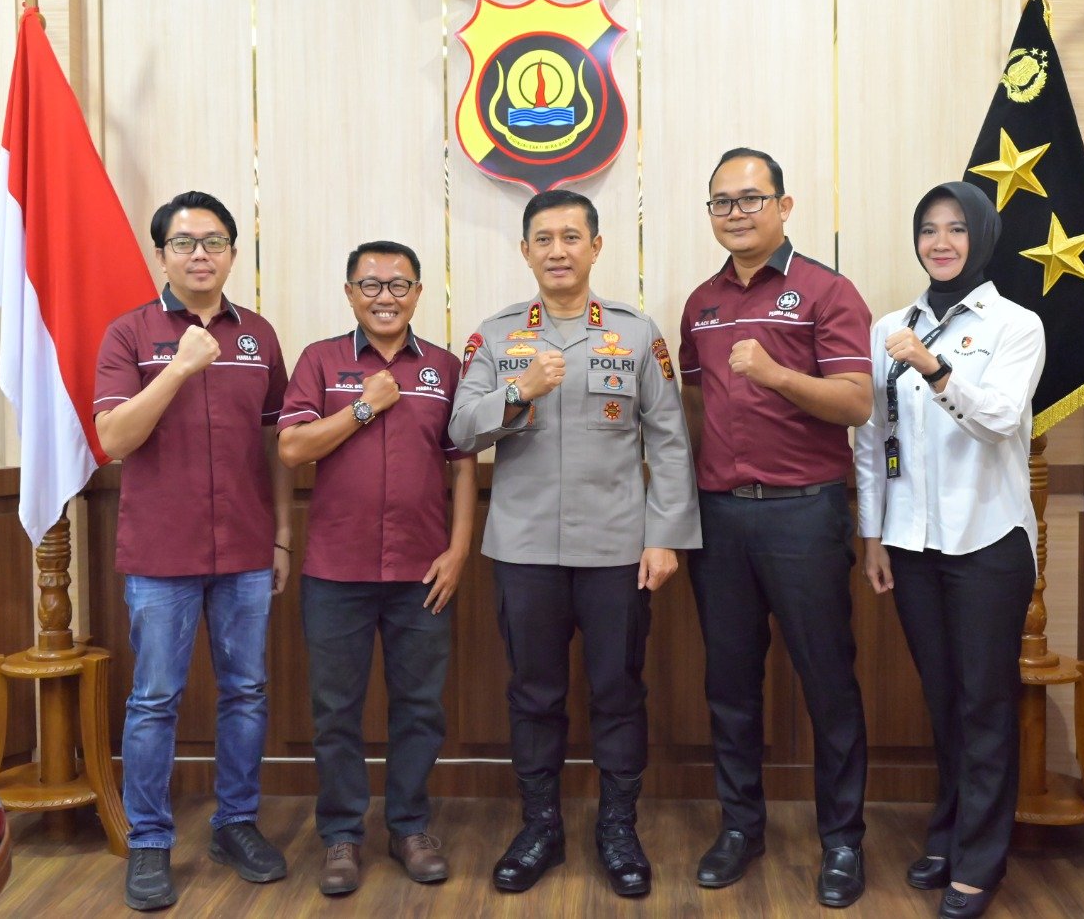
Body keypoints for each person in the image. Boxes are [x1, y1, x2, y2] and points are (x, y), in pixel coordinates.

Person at [448, 190, 700, 898]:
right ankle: (540, 827)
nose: (557, 250)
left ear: (596, 246)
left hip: (618, 550)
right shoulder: (496, 336)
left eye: (570, 237)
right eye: (543, 239)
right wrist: (518, 392)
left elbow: (669, 442)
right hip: (524, 549)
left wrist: (666, 537)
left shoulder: (636, 333)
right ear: (525, 251)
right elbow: (461, 429)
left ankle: (618, 827)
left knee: (618, 692)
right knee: (533, 693)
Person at [678, 148, 875, 906]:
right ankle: (740, 828)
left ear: (784, 207)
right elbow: (694, 406)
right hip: (720, 517)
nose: (736, 213)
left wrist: (776, 374)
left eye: (750, 199)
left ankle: (843, 840)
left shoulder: (827, 290)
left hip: (804, 513)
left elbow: (855, 402)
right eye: (721, 202)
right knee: (729, 683)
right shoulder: (701, 303)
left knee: (828, 682)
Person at [92, 191, 293, 911]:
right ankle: (149, 841)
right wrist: (178, 368)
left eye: (214, 242)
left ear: (233, 253)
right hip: (160, 552)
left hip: (245, 547)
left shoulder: (259, 335)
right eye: (184, 243)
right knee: (154, 700)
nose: (199, 254)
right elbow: (114, 440)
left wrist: (281, 533)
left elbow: (274, 442)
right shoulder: (128, 334)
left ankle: (235, 824)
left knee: (247, 692)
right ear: (162, 256)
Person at [854, 181, 1044, 919]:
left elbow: (999, 420)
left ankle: (980, 860)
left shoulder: (1016, 324)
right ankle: (950, 832)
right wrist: (874, 534)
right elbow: (872, 442)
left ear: (982, 237)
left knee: (985, 702)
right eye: (929, 229)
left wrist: (935, 369)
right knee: (943, 700)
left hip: (989, 540)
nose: (941, 242)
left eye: (957, 228)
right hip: (911, 542)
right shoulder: (889, 326)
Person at [276, 240, 476, 896]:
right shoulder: (320, 360)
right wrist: (364, 407)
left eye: (398, 285)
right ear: (349, 292)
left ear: (418, 294)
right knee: (336, 711)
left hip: (423, 570)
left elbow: (463, 464)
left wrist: (458, 549)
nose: (384, 297)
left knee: (420, 708)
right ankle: (341, 835)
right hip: (337, 570)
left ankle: (410, 826)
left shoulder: (444, 367)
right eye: (370, 284)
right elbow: (293, 448)